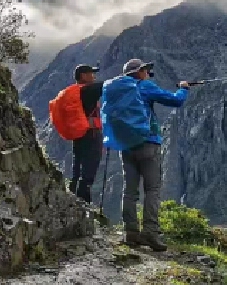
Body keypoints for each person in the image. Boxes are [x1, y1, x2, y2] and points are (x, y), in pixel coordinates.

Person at [101, 58, 189, 251]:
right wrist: (183, 88)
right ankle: (150, 232)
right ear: (140, 72)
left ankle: (131, 233)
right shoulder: (144, 86)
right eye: (146, 70)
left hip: (126, 146)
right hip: (148, 143)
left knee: (129, 191)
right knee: (152, 190)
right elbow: (175, 100)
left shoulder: (118, 90)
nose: (148, 74)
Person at [68, 64, 104, 203]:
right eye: (91, 73)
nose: (94, 76)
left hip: (78, 134)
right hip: (91, 134)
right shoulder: (88, 90)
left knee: (77, 168)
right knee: (89, 169)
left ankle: (72, 198)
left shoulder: (75, 92)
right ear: (83, 75)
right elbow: (108, 85)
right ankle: (83, 202)